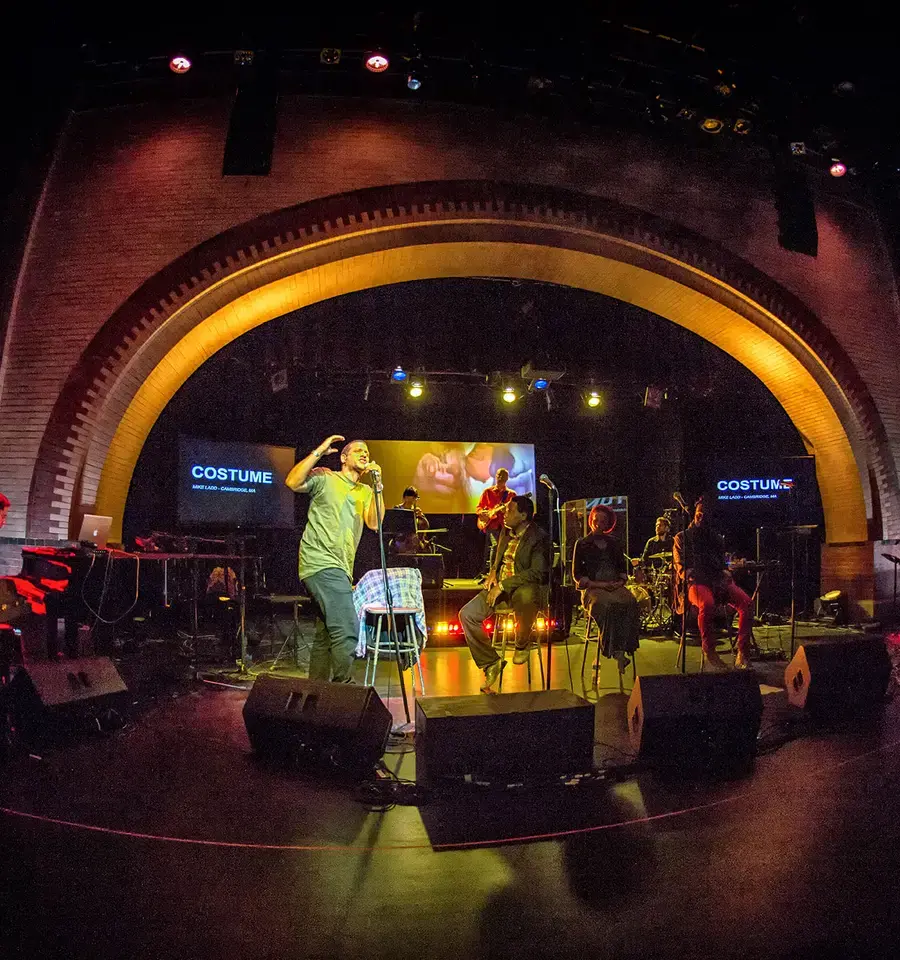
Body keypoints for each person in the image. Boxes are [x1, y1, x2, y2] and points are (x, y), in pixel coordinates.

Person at [285, 436, 381, 683]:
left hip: (341, 567)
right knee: (348, 628)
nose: (364, 454)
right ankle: (344, 691)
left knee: (326, 634)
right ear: (343, 457)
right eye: (357, 450)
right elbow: (293, 482)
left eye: (366, 451)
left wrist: (379, 486)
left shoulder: (366, 491)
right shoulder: (325, 477)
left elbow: (375, 523)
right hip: (320, 562)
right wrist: (318, 450)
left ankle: (316, 695)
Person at [459, 495, 549, 693]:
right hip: (500, 587)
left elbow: (538, 572)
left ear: (524, 515)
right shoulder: (505, 532)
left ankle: (522, 643)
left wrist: (504, 585)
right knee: (467, 614)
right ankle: (491, 662)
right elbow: (498, 554)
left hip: (523, 587)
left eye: (509, 510)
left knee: (526, 596)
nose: (504, 514)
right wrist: (493, 572)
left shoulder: (538, 537)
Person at [673, 495, 753, 670]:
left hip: (717, 581)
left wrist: (725, 571)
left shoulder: (717, 538)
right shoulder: (682, 538)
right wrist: (691, 573)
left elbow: (721, 564)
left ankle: (743, 652)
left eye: (705, 515)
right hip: (697, 584)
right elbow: (682, 569)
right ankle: (709, 651)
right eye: (699, 514)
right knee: (707, 604)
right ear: (694, 513)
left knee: (746, 603)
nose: (701, 518)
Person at [573, 504, 640, 674]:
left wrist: (619, 583)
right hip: (593, 589)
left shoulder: (614, 543)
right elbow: (576, 575)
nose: (598, 523)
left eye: (602, 521)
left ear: (608, 523)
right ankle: (616, 652)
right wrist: (599, 585)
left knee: (631, 602)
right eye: (596, 520)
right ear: (591, 521)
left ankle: (622, 649)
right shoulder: (582, 543)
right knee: (607, 606)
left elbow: (622, 569)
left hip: (614, 586)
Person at [475, 467, 515, 579]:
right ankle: (492, 572)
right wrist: (482, 512)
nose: (500, 477)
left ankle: (500, 572)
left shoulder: (511, 495)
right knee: (495, 546)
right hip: (491, 525)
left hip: (506, 525)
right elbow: (478, 508)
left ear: (507, 478)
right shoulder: (487, 492)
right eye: (498, 475)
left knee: (504, 547)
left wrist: (506, 510)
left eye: (502, 476)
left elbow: (515, 510)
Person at [392, 485, 429, 555]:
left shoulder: (416, 510)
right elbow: (394, 524)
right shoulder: (398, 508)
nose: (413, 500)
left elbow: (426, 526)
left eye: (415, 497)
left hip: (413, 541)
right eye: (412, 497)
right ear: (405, 497)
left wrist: (422, 517)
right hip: (400, 539)